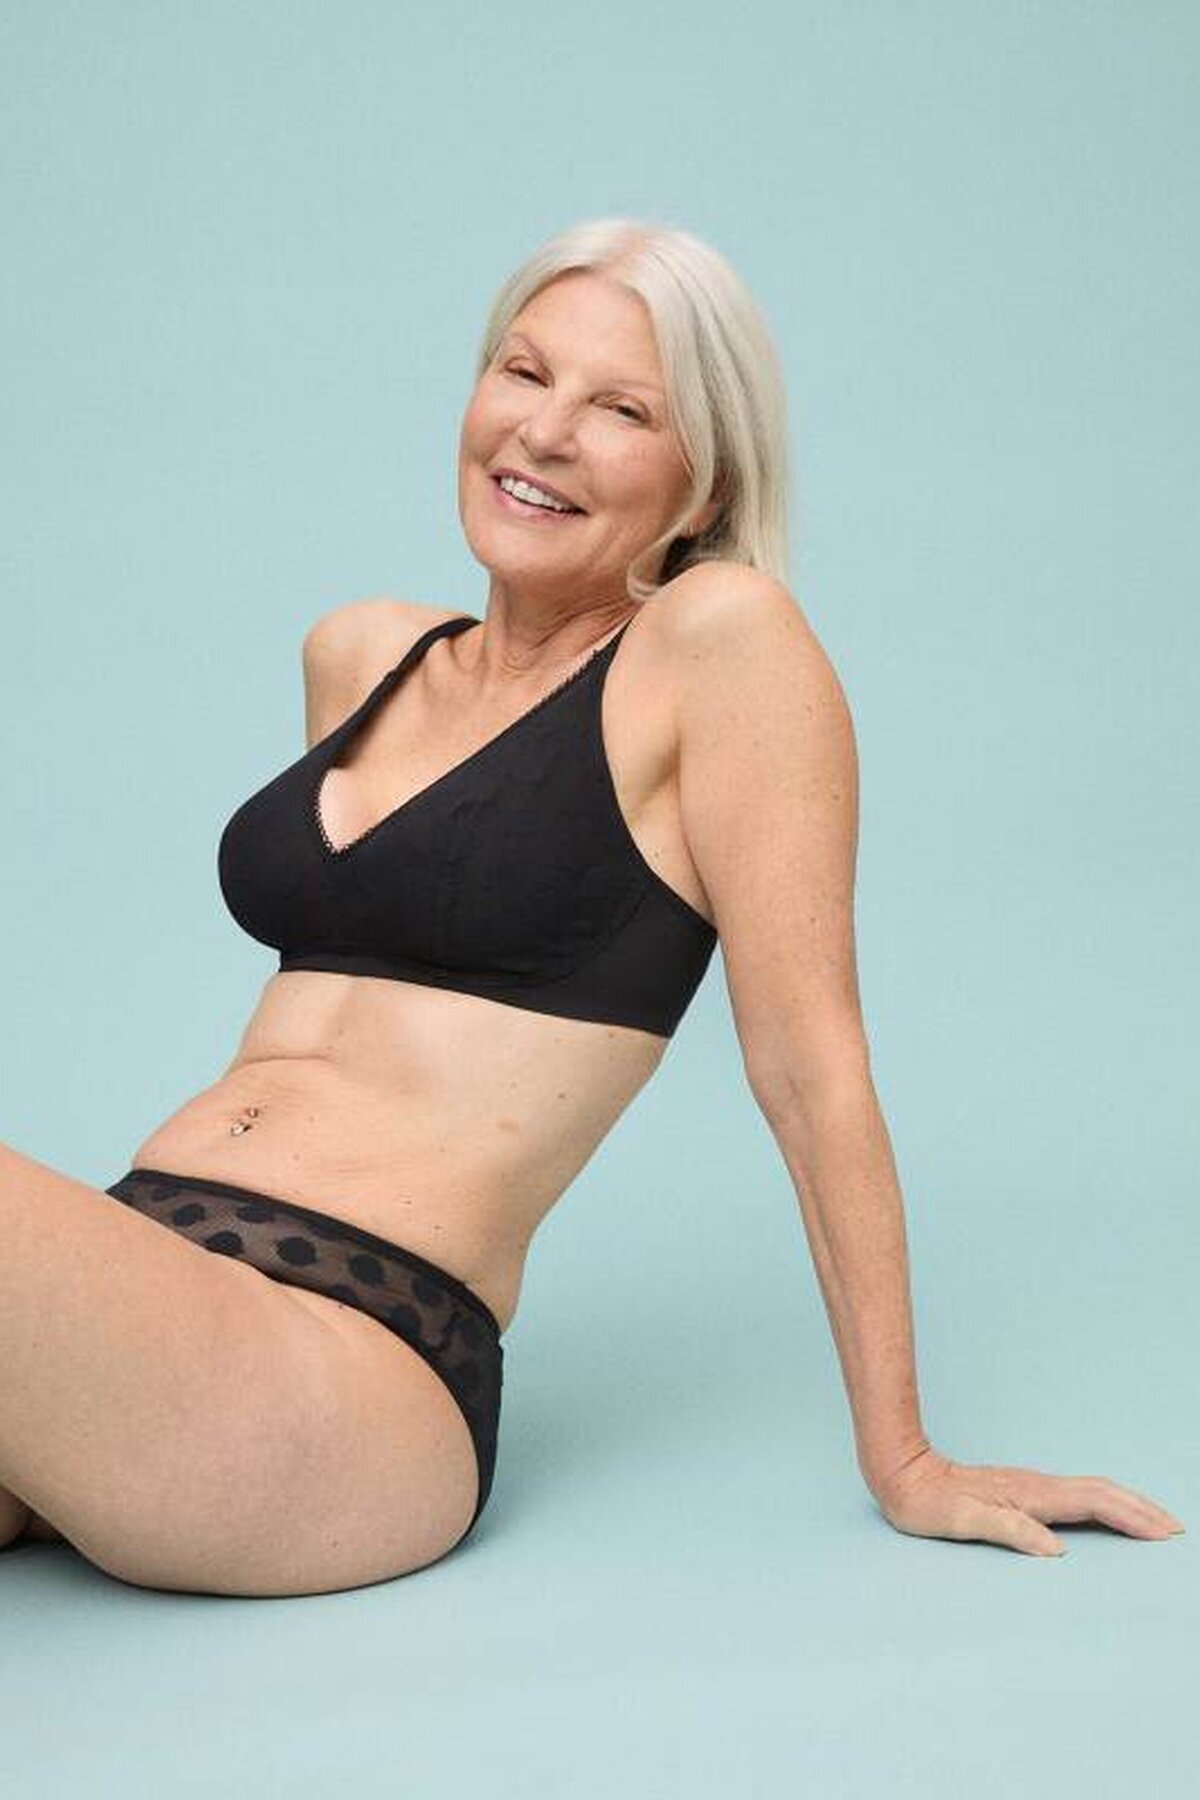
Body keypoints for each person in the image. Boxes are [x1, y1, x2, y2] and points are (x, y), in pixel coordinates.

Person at [0, 217, 1183, 1598]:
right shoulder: (362, 655)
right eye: (523, 372)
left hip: (343, 1368)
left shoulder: (719, 645)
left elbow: (812, 1070)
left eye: (624, 410)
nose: (546, 432)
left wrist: (906, 1455)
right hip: (140, 1305)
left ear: (703, 485)